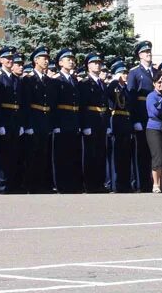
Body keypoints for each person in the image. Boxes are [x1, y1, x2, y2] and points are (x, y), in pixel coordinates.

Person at [21, 46, 55, 193]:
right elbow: (25, 104)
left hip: (45, 120)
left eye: (47, 58)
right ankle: (32, 185)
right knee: (32, 154)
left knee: (44, 153)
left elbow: (51, 104)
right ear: (35, 60)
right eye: (43, 58)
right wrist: (28, 124)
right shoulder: (28, 79)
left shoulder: (48, 80)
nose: (46, 61)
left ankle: (42, 184)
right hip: (34, 120)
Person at [0, 46, 24, 194]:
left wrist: (21, 124)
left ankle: (12, 184)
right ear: (0, 60)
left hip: (15, 121)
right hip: (4, 120)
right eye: (7, 58)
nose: (10, 61)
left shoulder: (15, 79)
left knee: (14, 153)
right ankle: (2, 186)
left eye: (11, 59)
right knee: (3, 155)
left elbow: (20, 103)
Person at [78, 53, 110, 193]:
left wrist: (107, 124)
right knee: (90, 154)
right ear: (88, 66)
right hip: (91, 120)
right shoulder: (84, 83)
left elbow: (106, 106)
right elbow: (82, 106)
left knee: (101, 153)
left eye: (99, 62)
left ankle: (99, 183)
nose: (97, 65)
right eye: (94, 62)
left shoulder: (102, 83)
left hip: (101, 121)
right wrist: (85, 125)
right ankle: (90, 184)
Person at [127, 41, 156, 192]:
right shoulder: (135, 72)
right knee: (141, 152)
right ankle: (141, 184)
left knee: (154, 151)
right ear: (139, 55)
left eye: (149, 51)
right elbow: (131, 97)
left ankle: (153, 183)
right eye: (145, 52)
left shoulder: (155, 72)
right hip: (142, 115)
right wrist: (135, 120)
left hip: (154, 117)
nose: (148, 54)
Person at [53, 48, 83, 193]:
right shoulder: (57, 80)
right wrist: (57, 125)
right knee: (62, 155)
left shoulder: (73, 80)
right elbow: (54, 104)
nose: (71, 61)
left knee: (72, 154)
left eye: (72, 59)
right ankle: (62, 185)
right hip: (62, 121)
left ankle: (72, 184)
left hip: (73, 120)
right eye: (68, 59)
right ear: (60, 62)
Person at [107, 61, 133, 193]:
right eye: (122, 73)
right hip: (116, 121)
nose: (125, 75)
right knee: (116, 155)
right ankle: (116, 184)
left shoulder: (125, 89)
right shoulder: (114, 86)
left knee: (125, 155)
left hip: (126, 122)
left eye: (126, 72)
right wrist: (114, 81)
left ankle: (125, 184)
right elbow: (112, 99)